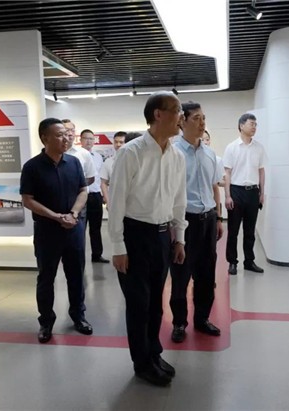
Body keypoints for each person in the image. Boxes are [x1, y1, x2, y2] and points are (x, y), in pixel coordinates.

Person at [108, 91, 187, 387]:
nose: (181, 116)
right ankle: (141, 363)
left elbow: (179, 200)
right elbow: (116, 202)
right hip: (135, 236)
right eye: (177, 110)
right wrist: (118, 247)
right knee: (139, 304)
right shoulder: (131, 152)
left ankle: (153, 352)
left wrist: (179, 238)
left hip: (163, 235)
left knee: (156, 303)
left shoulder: (176, 155)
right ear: (158, 114)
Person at [20, 118, 94, 343]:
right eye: (60, 135)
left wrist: (73, 214)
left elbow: (83, 190)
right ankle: (46, 321)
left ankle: (78, 316)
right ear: (45, 138)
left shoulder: (74, 162)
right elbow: (27, 199)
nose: (66, 138)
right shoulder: (32, 167)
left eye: (67, 134)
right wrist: (54, 216)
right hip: (47, 231)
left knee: (76, 275)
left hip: (73, 229)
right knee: (46, 277)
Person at [170, 101, 224, 343]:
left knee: (206, 274)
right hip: (185, 221)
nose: (202, 123)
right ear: (182, 121)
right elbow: (169, 192)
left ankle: (202, 319)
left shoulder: (210, 154)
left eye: (204, 118)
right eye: (196, 118)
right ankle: (179, 323)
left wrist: (219, 218)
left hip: (208, 219)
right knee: (181, 275)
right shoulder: (173, 153)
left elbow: (214, 187)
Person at [223, 113, 267, 275]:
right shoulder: (232, 147)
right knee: (233, 230)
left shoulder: (259, 148)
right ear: (241, 126)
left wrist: (262, 192)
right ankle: (232, 262)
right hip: (236, 191)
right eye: (251, 124)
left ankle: (249, 261)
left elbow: (261, 171)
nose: (254, 127)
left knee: (250, 230)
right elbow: (227, 173)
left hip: (253, 192)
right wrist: (227, 195)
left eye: (256, 124)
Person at [80, 129, 109, 263]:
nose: (89, 141)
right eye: (86, 138)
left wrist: (103, 194)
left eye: (91, 138)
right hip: (82, 196)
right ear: (81, 140)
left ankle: (97, 255)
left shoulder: (98, 156)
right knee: (81, 228)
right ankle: (79, 256)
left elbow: (101, 178)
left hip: (96, 195)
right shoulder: (76, 155)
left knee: (96, 227)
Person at [61, 119, 95, 187]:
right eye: (67, 130)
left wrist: (77, 187)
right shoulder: (54, 153)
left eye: (72, 130)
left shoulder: (84, 153)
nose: (70, 134)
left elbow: (90, 178)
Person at [100, 131, 127, 209]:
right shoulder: (108, 161)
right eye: (116, 142)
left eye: (121, 142)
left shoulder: (134, 160)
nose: (118, 144)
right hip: (115, 201)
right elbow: (103, 183)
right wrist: (108, 201)